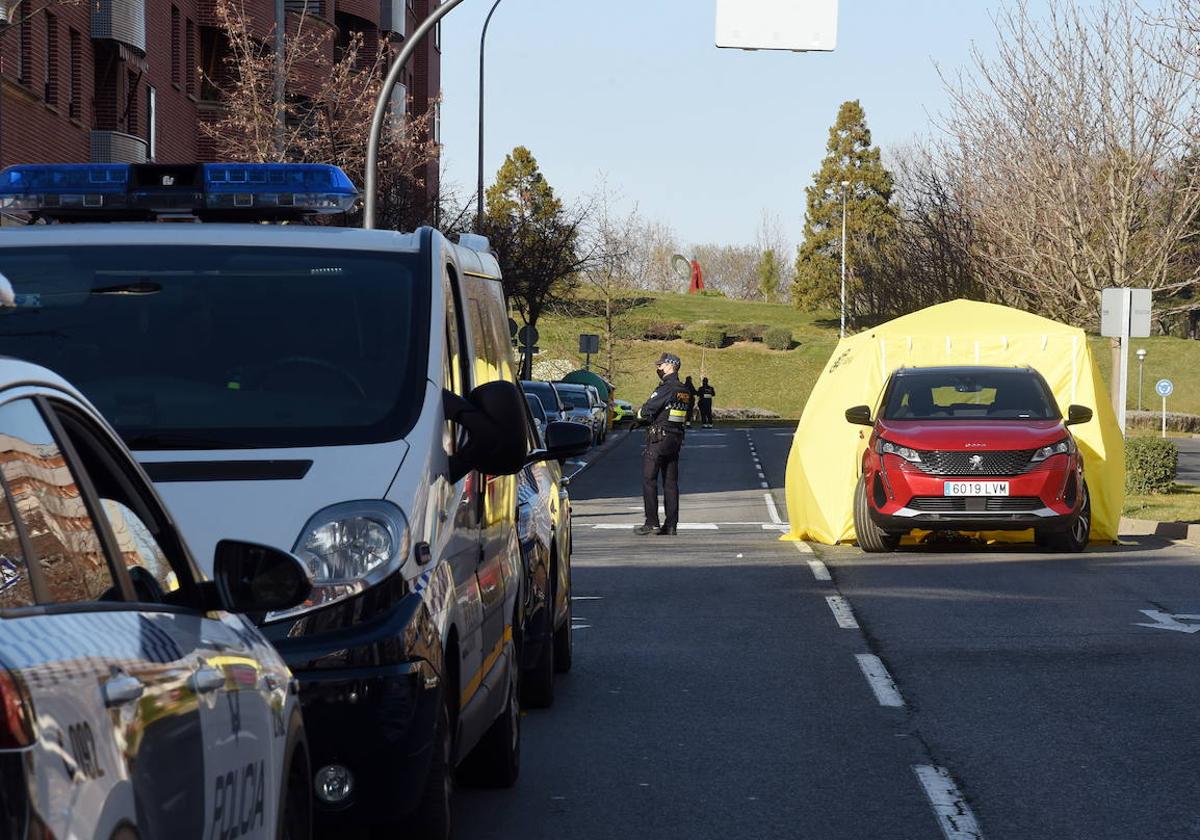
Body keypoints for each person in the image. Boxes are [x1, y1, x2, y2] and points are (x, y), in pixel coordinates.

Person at [635, 353, 694, 536]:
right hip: (676, 438)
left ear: (670, 366)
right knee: (670, 482)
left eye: (660, 365)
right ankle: (671, 524)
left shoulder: (666, 388)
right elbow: (688, 414)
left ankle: (651, 521)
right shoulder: (684, 390)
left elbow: (647, 410)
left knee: (649, 478)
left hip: (659, 438)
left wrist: (639, 417)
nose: (658, 369)